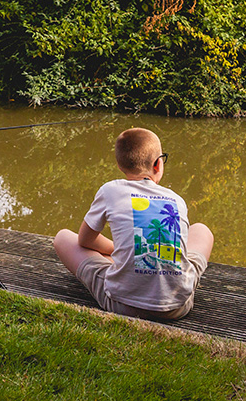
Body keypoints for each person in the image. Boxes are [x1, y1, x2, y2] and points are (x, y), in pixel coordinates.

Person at [52, 127, 213, 320]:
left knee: (63, 237)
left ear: (120, 166)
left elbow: (85, 240)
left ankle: (126, 264)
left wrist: (115, 251)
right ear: (157, 164)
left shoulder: (110, 190)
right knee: (202, 230)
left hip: (121, 304)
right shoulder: (176, 199)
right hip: (177, 306)